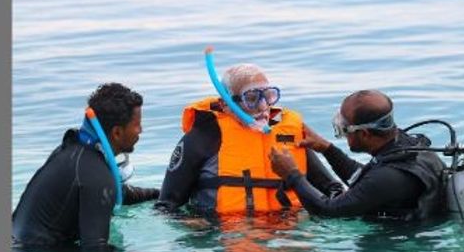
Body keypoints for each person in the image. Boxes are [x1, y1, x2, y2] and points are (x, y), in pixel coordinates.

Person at [156, 64, 343, 216]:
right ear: (225, 104)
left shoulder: (288, 133)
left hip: (288, 234)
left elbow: (333, 189)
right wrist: (194, 226)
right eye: (252, 98)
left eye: (269, 96)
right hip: (222, 237)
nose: (263, 106)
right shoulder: (203, 137)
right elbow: (165, 206)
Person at [12, 82, 159, 251]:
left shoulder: (73, 152)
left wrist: (157, 194)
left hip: (19, 242)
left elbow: (113, 192)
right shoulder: (97, 175)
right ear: (117, 132)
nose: (141, 130)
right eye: (137, 125)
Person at [269, 89, 448, 222]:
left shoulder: (388, 177)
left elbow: (328, 211)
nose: (344, 134)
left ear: (364, 134)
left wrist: (292, 175)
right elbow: (365, 180)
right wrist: (327, 149)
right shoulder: (409, 148)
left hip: (398, 251)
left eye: (344, 129)